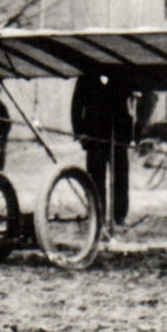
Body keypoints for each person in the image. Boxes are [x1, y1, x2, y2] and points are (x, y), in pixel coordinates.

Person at [71, 73, 132, 227]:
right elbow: (76, 106)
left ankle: (120, 215)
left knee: (121, 176)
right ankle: (98, 215)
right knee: (95, 177)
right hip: (95, 136)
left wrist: (131, 135)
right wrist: (79, 132)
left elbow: (132, 107)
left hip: (118, 136)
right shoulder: (85, 78)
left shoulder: (122, 76)